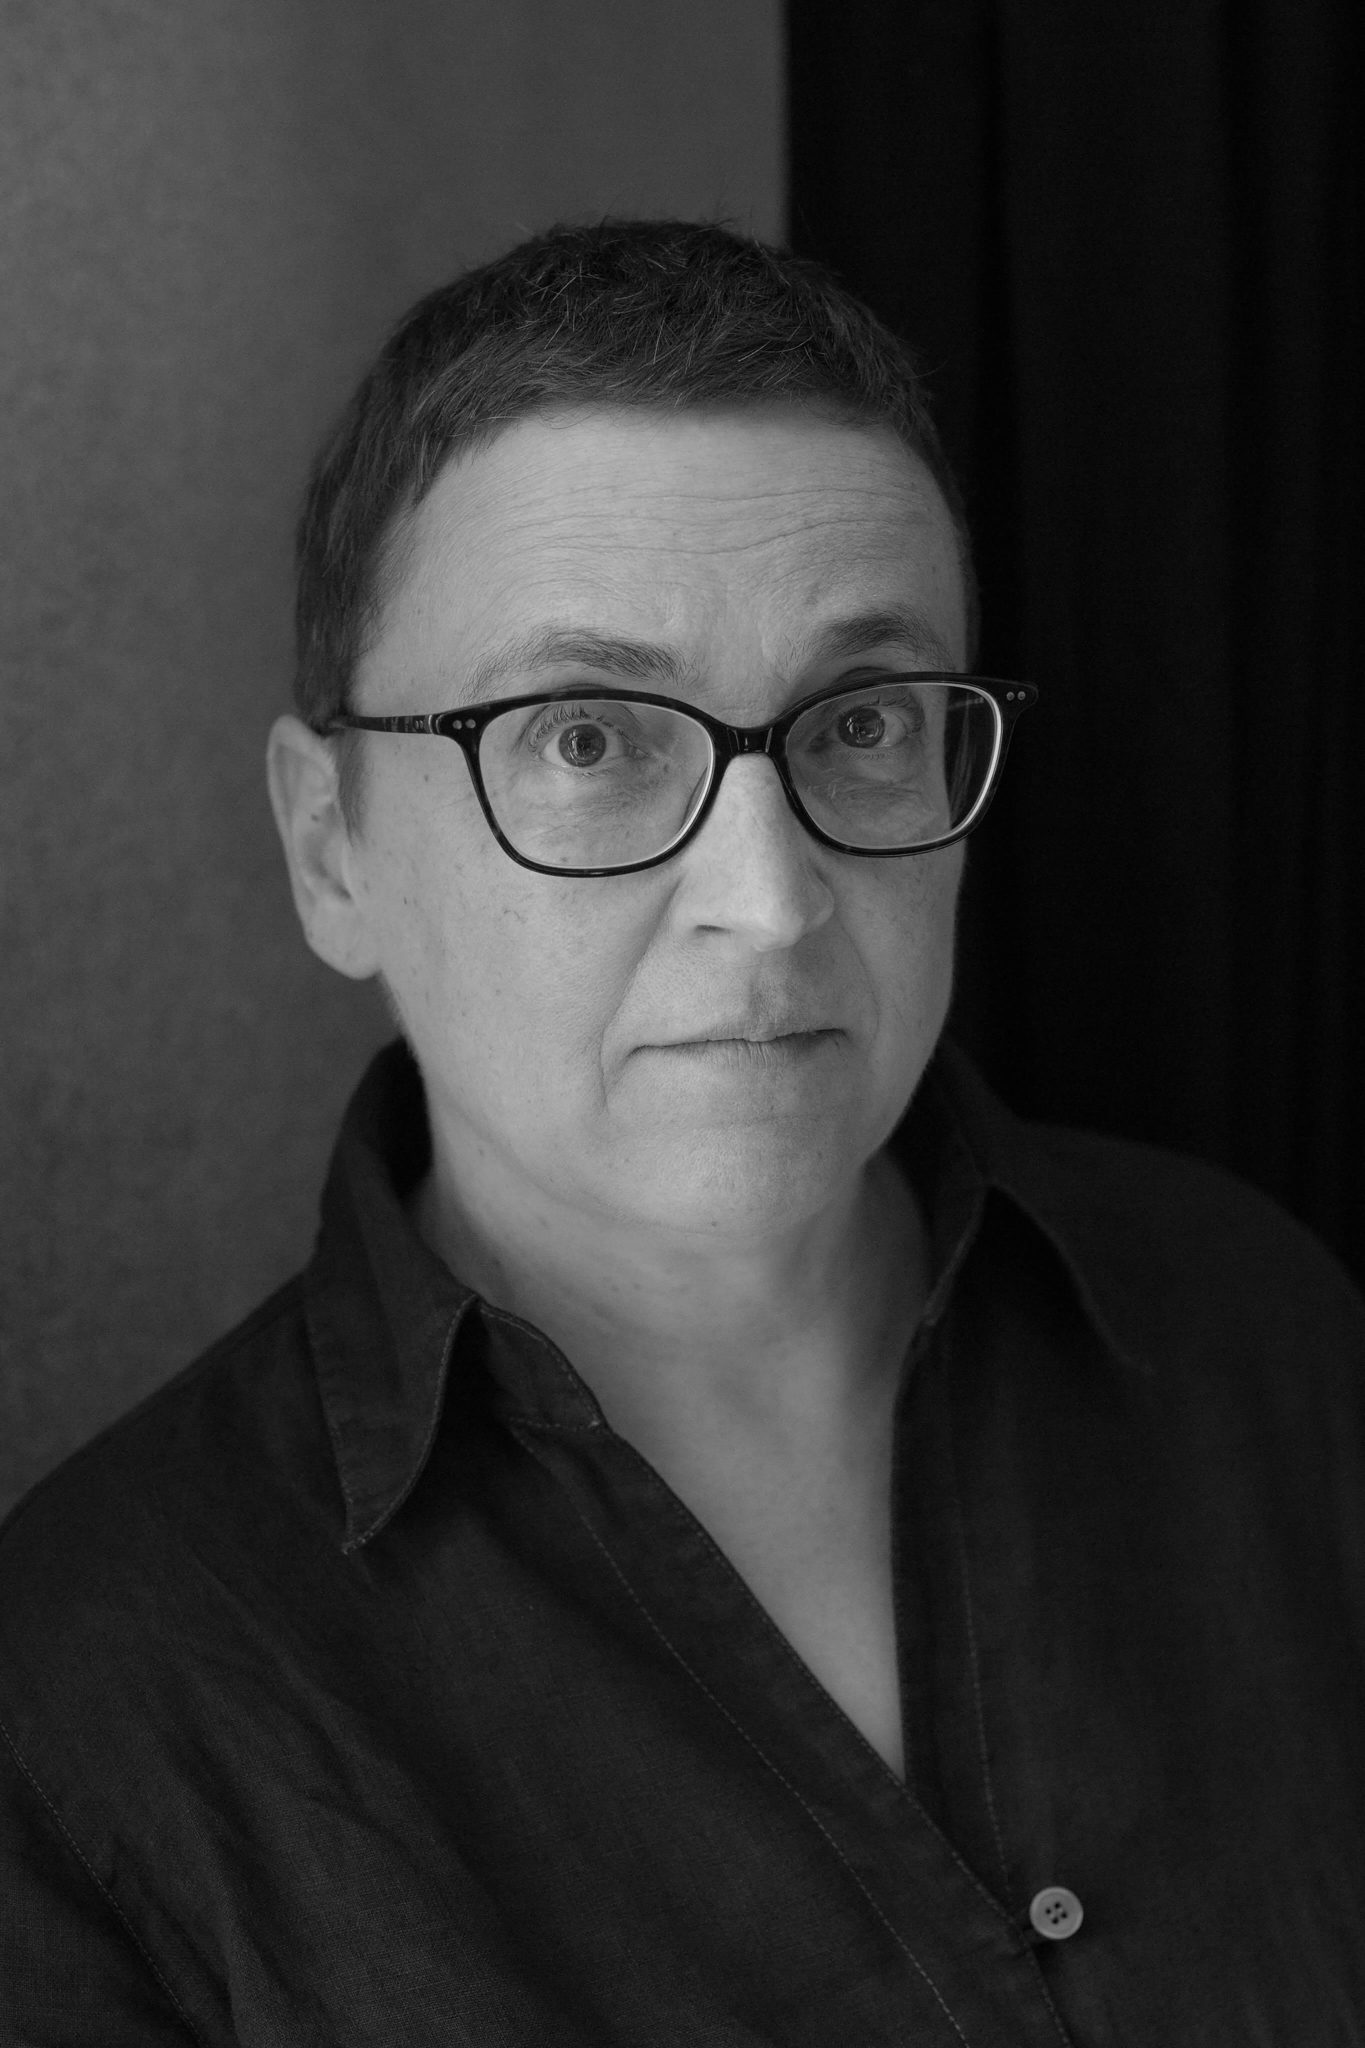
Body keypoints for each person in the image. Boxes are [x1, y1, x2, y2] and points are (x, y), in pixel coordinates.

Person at [1, 219, 1362, 2047]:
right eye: (584, 739)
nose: (770, 900)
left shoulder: (1267, 1337)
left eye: (860, 721)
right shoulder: (91, 1702)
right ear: (333, 849)